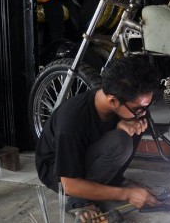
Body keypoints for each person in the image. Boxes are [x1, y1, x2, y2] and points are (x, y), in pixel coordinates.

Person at [35, 56, 160, 221]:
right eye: (139, 108)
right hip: (58, 171)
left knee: (133, 126)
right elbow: (69, 184)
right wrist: (127, 194)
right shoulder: (72, 119)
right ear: (113, 100)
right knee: (119, 142)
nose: (144, 112)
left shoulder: (123, 107)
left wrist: (126, 121)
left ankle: (112, 180)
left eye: (147, 106)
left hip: (87, 154)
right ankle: (80, 201)